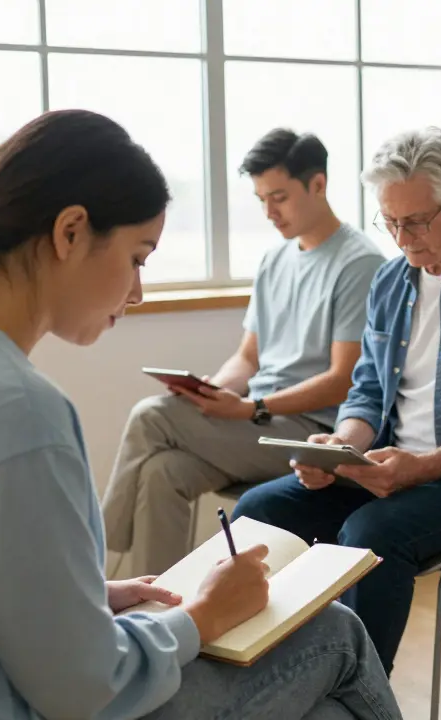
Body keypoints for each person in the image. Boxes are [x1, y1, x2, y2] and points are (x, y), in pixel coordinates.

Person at [0, 110, 401, 720]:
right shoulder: (17, 414)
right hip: (49, 704)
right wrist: (202, 616)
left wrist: (95, 594)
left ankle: (117, 565)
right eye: (139, 257)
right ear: (70, 232)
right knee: (337, 634)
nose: (138, 291)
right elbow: (84, 687)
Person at [233, 126, 441, 675]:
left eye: (415, 221)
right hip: (391, 469)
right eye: (389, 222)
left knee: (371, 534)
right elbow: (367, 389)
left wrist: (422, 469)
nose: (402, 237)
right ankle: (277, 680)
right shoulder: (391, 280)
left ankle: (355, 698)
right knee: (261, 511)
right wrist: (342, 447)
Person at [102, 128, 384, 576]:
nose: (269, 212)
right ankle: (161, 609)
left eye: (279, 197)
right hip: (255, 419)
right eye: (261, 200)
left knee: (149, 416)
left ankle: (96, 562)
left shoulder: (360, 264)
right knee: (163, 473)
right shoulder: (275, 260)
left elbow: (343, 378)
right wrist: (210, 392)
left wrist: (251, 408)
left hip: (308, 433)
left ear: (318, 185)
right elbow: (248, 358)